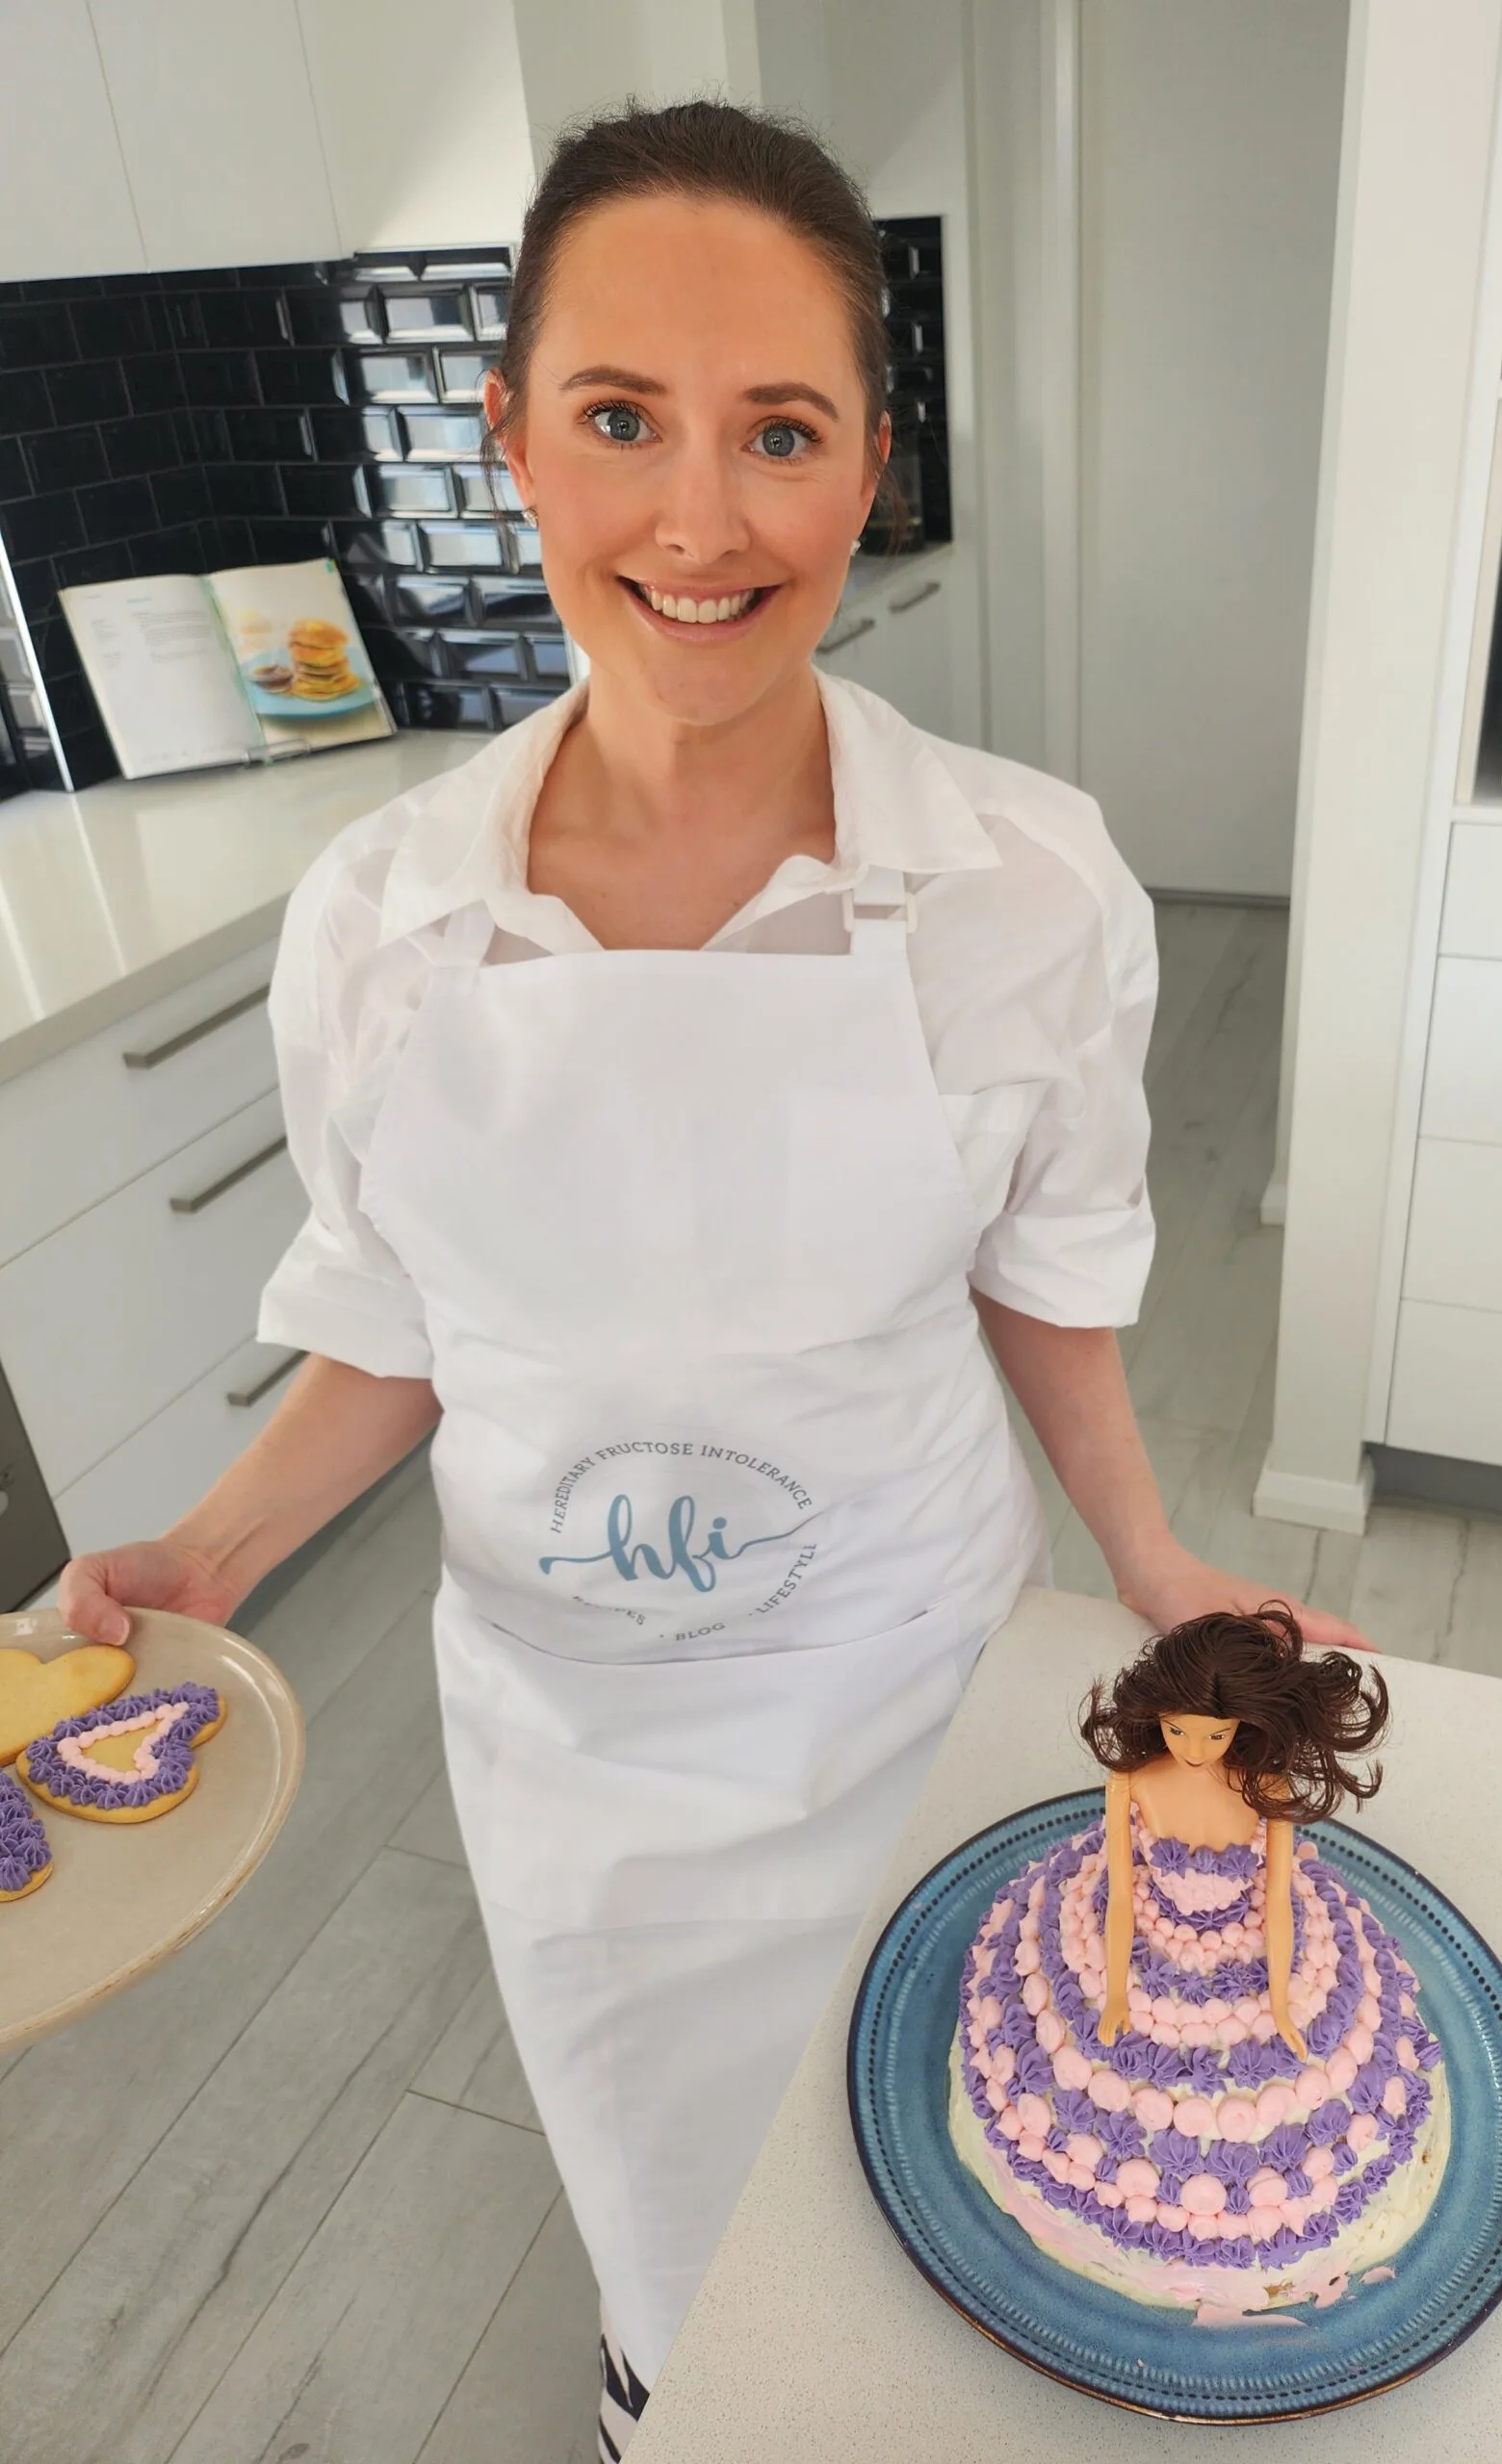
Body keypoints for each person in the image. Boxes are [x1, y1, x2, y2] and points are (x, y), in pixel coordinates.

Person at [58, 101, 1366, 2455]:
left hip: (908, 1671)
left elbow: (1047, 1267)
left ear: (871, 458)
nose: (699, 517)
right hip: (571, 1741)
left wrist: (1151, 1548)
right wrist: (213, 1547)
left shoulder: (1019, 884)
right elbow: (394, 1309)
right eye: (621, 422)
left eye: (780, 429)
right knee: (669, 2215)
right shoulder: (380, 918)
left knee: (978, 2189)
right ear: (514, 446)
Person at [1079, 1611, 1388, 2058]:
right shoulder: (1131, 1783)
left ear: (1241, 1725)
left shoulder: (1266, 1789)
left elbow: (1278, 1900)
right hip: (1153, 1945)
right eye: (1176, 1729)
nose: (1193, 1750)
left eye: (1216, 1735)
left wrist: (1279, 2004)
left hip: (1241, 1945)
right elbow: (1122, 1893)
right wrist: (1115, 1994)